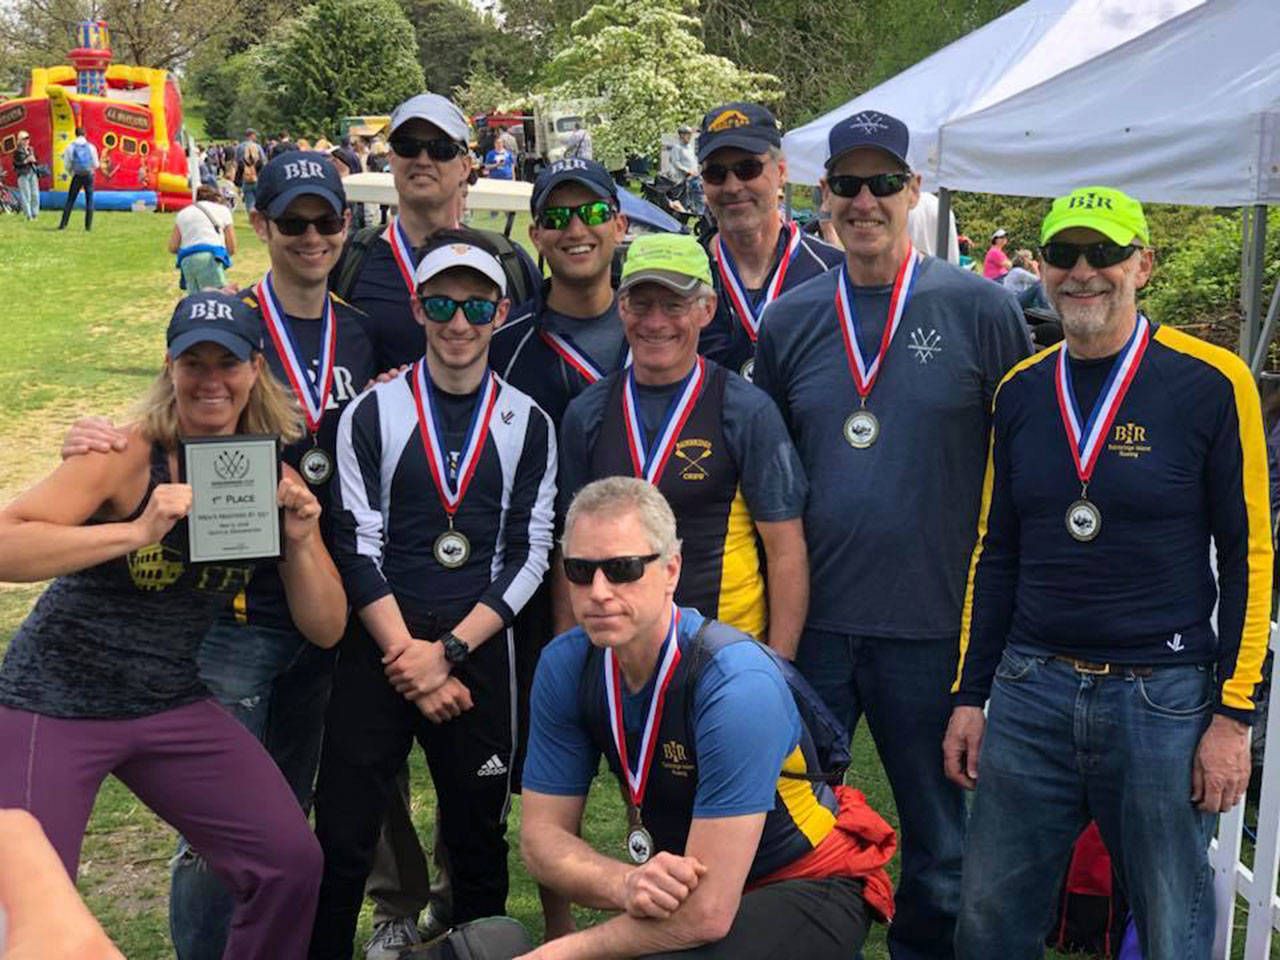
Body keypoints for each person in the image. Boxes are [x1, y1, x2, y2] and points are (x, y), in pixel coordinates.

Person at [59, 153, 379, 959]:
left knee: (284, 814)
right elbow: (163, 414)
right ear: (261, 225)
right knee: (211, 835)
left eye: (326, 220)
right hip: (229, 614)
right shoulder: (226, 320)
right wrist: (95, 441)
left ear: (345, 225)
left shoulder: (365, 331)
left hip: (319, 594)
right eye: (293, 221)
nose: (311, 236)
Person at [944, 186, 1271, 958]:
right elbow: (997, 551)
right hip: (1030, 690)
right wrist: (969, 694)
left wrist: (1234, 715)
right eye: (1062, 254)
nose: (1082, 271)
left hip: (1161, 697)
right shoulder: (1021, 392)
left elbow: (1252, 553)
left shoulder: (1214, 382)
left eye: (1104, 253)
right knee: (989, 919)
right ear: (1041, 269)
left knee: (1173, 923)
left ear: (1143, 265)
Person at [752, 109, 1030, 960]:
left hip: (936, 629)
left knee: (941, 847)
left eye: (882, 183)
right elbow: (770, 476)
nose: (864, 200)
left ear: (914, 190)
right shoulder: (789, 320)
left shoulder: (981, 309)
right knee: (791, 822)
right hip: (819, 625)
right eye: (846, 184)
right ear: (823, 195)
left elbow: (1023, 467)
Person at [0, 290, 348, 960]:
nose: (211, 380)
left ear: (254, 370)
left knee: (289, 862)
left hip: (167, 699)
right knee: (26, 899)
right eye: (194, 363)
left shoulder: (259, 475)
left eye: (228, 363)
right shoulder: (128, 455)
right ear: (170, 367)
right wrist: (136, 531)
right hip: (52, 698)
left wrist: (303, 538)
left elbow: (328, 628)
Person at [517, 477, 897, 960]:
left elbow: (706, 914)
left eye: (623, 568)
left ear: (671, 569)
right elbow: (542, 839)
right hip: (689, 887)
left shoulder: (735, 684)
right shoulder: (565, 664)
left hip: (805, 880)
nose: (598, 591)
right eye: (580, 570)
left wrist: (558, 954)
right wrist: (627, 883)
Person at [310, 229, 557, 959]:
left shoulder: (528, 423)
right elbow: (355, 542)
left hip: (475, 656)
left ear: (501, 312)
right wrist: (410, 658)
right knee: (344, 835)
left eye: (476, 308)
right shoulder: (371, 414)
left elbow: (531, 551)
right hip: (381, 651)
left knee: (479, 840)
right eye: (441, 304)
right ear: (418, 310)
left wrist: (447, 652)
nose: (458, 323)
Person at [558, 232, 809, 658]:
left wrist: (778, 667)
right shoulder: (588, 413)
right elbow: (568, 551)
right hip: (618, 653)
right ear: (622, 308)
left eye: (674, 305)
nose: (656, 322)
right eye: (641, 304)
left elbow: (785, 550)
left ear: (705, 309)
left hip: (723, 650)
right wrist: (567, 656)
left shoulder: (746, 411)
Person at [332, 92, 541, 370]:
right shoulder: (348, 260)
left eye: (440, 148)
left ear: (465, 166)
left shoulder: (506, 261)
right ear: (391, 158)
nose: (422, 159)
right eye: (408, 146)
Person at [693, 102, 843, 381]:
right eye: (716, 173)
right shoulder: (683, 279)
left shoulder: (834, 271)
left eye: (747, 168)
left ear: (782, 172)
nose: (733, 186)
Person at [168, 185, 236, 291]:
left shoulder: (183, 213)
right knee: (215, 298)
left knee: (195, 301)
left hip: (187, 260)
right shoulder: (223, 210)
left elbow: (173, 247)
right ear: (216, 198)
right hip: (210, 257)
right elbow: (231, 246)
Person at [58, 127, 98, 231]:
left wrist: (72, 172)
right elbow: (96, 164)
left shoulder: (70, 147)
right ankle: (88, 226)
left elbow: (67, 164)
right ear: (85, 134)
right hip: (88, 175)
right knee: (89, 200)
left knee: (70, 200)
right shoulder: (91, 147)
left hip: (77, 175)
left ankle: (63, 224)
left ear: (75, 134)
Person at [669, 124, 703, 215]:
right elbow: (676, 163)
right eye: (688, 134)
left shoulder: (689, 147)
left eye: (690, 135)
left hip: (694, 176)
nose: (690, 137)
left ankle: (700, 212)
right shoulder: (677, 148)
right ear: (681, 135)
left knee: (699, 195)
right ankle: (697, 212)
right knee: (691, 196)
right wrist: (687, 170)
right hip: (683, 178)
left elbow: (693, 161)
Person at [236, 129, 266, 212]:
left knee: (249, 200)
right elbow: (263, 160)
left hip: (245, 176)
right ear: (252, 135)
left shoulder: (240, 147)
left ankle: (252, 218)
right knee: (259, 200)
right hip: (257, 176)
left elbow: (237, 162)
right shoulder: (258, 147)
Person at [14, 130, 40, 221]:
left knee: (35, 194)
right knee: (26, 195)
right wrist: (26, 160)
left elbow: (37, 160)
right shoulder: (17, 151)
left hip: (32, 173)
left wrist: (34, 160)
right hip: (23, 174)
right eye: (24, 139)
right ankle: (28, 215)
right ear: (20, 140)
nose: (27, 141)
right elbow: (16, 164)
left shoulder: (31, 149)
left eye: (27, 138)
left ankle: (35, 214)